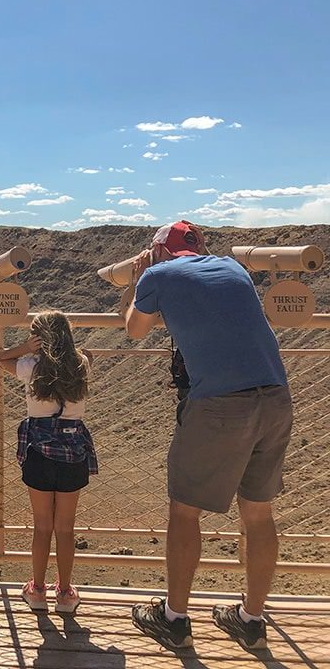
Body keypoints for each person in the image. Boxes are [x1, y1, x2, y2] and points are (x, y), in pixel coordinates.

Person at [123, 221, 292, 651]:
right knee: (258, 512)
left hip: (219, 405)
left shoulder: (157, 274)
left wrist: (138, 279)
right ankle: (251, 621)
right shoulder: (233, 268)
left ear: (159, 251)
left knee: (184, 510)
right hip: (274, 397)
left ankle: (174, 619)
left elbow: (134, 329)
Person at [0, 310, 97, 614]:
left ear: (39, 338)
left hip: (39, 453)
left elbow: (2, 358)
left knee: (42, 526)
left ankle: (38, 590)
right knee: (65, 529)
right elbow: (90, 353)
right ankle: (65, 593)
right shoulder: (81, 364)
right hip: (72, 453)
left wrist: (26, 348)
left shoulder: (31, 366)